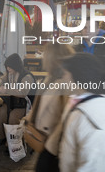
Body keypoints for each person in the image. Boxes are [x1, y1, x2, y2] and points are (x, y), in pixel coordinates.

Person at [57, 53, 105, 172]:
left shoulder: (93, 119)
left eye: (65, 73)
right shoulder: (83, 105)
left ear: (76, 76)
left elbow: (96, 166)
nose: (63, 78)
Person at [24, 43, 74, 172]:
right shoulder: (50, 78)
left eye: (46, 55)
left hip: (55, 143)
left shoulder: (66, 82)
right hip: (43, 137)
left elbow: (67, 115)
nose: (44, 57)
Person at [0, 53, 35, 146]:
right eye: (7, 67)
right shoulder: (10, 73)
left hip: (24, 104)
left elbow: (22, 92)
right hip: (12, 102)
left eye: (10, 67)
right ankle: (2, 137)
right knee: (2, 112)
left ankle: (14, 143)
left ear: (16, 66)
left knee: (13, 117)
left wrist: (6, 90)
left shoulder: (27, 77)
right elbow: (3, 78)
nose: (8, 69)